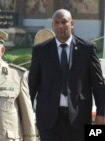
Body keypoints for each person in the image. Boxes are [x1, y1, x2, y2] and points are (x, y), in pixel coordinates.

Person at [28, 9, 105, 141]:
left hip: (79, 119)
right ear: (52, 25)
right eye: (56, 23)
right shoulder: (41, 50)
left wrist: (101, 113)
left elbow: (98, 83)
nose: (60, 26)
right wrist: (26, 114)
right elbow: (31, 85)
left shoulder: (87, 49)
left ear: (72, 23)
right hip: (48, 120)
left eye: (64, 22)